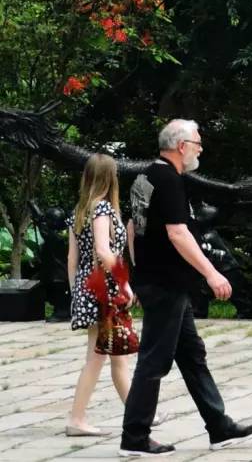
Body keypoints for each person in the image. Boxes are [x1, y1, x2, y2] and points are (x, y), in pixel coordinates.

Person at [120, 119, 252, 457]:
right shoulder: (168, 179)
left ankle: (219, 426)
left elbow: (132, 227)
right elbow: (177, 233)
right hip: (166, 283)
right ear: (182, 146)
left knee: (192, 355)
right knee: (154, 361)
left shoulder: (144, 176)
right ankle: (135, 436)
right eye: (197, 143)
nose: (200, 149)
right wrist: (212, 273)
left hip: (160, 281)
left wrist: (134, 272)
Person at [66, 153, 134, 437]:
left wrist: (77, 293)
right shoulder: (103, 209)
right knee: (98, 357)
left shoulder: (79, 210)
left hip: (86, 286)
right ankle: (76, 419)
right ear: (110, 177)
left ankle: (138, 415)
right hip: (103, 288)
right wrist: (124, 284)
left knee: (115, 356)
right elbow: (104, 251)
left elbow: (73, 258)